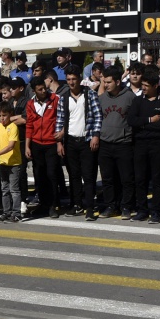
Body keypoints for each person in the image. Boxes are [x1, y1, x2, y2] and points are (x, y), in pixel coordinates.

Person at [127, 68, 160, 223]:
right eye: (142, 85)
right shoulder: (138, 100)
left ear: (154, 86)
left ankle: (156, 211)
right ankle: (142, 210)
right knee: (140, 178)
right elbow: (131, 120)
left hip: (157, 144)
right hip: (139, 144)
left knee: (157, 179)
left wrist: (143, 123)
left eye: (146, 85)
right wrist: (149, 120)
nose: (143, 88)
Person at [56, 70, 100, 219]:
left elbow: (97, 116)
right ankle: (76, 204)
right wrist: (59, 142)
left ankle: (89, 207)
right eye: (68, 79)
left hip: (86, 140)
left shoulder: (90, 95)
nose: (71, 82)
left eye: (74, 78)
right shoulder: (64, 98)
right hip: (70, 141)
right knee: (74, 175)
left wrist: (95, 135)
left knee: (88, 176)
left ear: (79, 79)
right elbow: (60, 121)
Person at [94, 68, 136, 219]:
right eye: (104, 82)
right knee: (107, 178)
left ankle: (126, 206)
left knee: (126, 178)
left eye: (109, 82)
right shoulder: (102, 98)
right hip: (105, 143)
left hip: (124, 143)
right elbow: (97, 119)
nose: (105, 85)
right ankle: (111, 205)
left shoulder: (130, 97)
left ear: (118, 82)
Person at [24, 76, 61, 220]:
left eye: (44, 88)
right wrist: (27, 146)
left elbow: (60, 119)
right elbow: (29, 125)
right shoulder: (30, 104)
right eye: (39, 89)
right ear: (34, 91)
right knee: (39, 175)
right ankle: (43, 204)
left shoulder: (55, 99)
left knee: (52, 174)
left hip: (51, 143)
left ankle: (53, 204)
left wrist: (59, 139)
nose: (43, 91)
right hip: (36, 144)